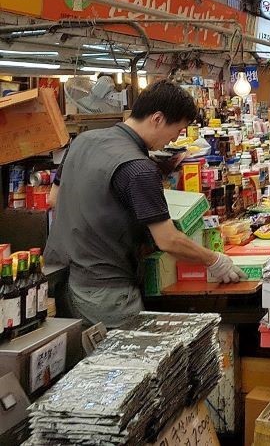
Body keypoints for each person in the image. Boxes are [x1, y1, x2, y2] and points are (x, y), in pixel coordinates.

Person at [45, 80, 245, 328]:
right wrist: (214, 260)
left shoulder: (83, 141)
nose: (175, 139)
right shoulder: (138, 167)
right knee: (123, 363)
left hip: (61, 280)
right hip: (106, 292)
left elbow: (53, 199)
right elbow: (168, 240)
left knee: (80, 361)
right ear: (158, 118)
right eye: (178, 130)